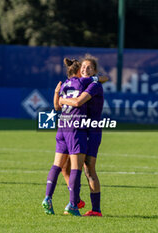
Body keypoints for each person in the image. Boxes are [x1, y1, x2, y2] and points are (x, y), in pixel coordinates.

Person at [42, 58, 96, 216]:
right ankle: (73, 205)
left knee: (56, 165)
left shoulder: (64, 84)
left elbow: (57, 107)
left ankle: (47, 198)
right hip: (75, 128)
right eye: (84, 68)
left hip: (62, 127)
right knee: (75, 168)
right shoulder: (83, 82)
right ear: (79, 71)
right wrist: (96, 77)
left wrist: (56, 93)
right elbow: (102, 78)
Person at [59, 54, 104, 216]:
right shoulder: (83, 83)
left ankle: (94, 209)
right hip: (78, 129)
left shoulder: (94, 85)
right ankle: (76, 200)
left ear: (94, 71)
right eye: (83, 67)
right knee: (66, 167)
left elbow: (78, 102)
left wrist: (62, 100)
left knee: (89, 168)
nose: (85, 69)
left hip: (91, 130)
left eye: (89, 68)